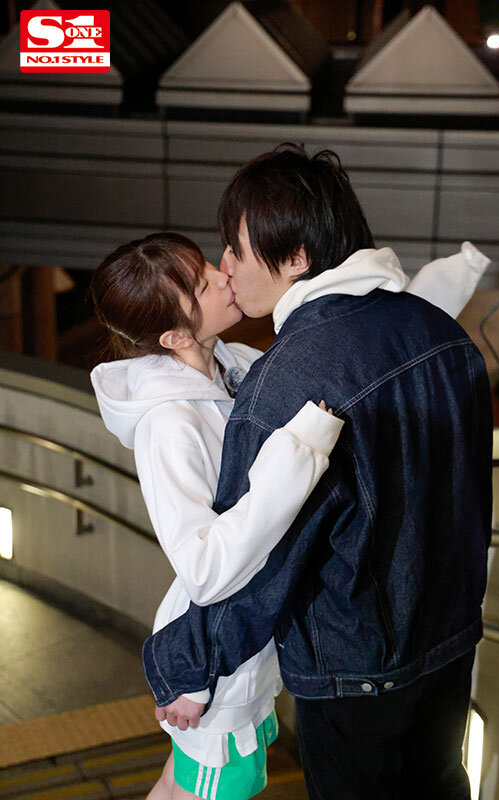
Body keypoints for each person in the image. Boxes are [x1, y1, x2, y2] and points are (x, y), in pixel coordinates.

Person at [142, 145, 494, 800]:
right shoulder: (440, 332)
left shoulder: (288, 377)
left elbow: (262, 555)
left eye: (237, 249)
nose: (226, 266)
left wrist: (188, 666)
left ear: (297, 257)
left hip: (351, 669)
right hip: (449, 646)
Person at [90, 232, 345, 800]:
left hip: (238, 651)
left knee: (182, 784)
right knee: (213, 786)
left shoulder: (234, 366)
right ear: (176, 336)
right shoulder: (169, 425)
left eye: (206, 265)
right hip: (216, 666)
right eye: (203, 285)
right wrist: (298, 455)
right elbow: (204, 568)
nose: (224, 275)